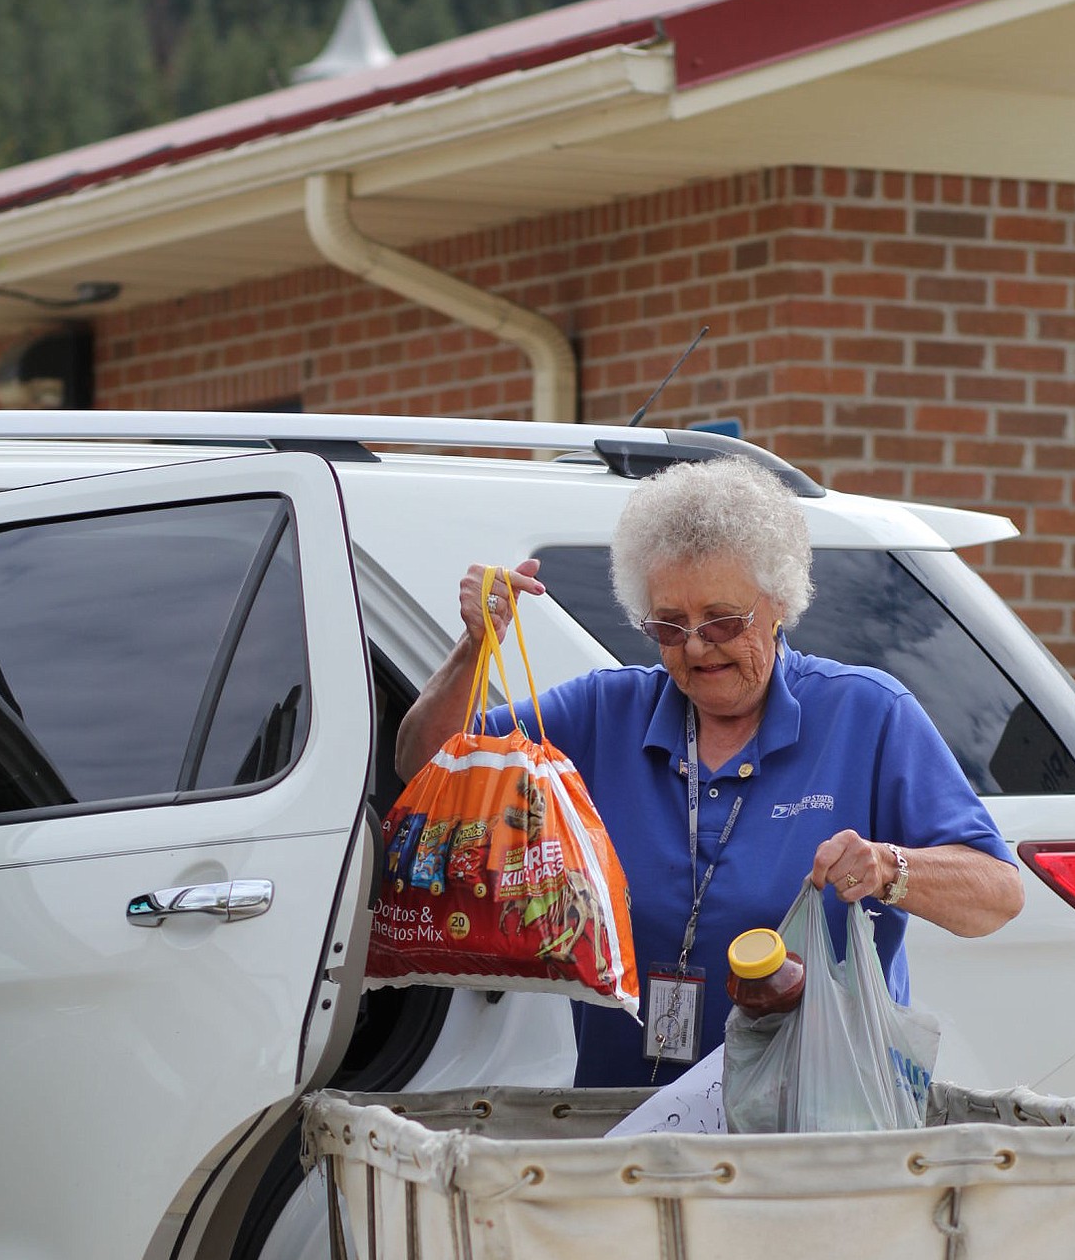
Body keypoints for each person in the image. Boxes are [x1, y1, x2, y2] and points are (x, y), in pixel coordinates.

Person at [396, 457, 1024, 1088]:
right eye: (669, 626)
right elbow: (426, 765)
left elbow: (996, 896)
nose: (697, 645)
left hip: (814, 1130)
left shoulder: (868, 713)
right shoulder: (604, 711)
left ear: (778, 603)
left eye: (723, 620)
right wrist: (475, 646)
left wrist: (891, 869)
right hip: (626, 1127)